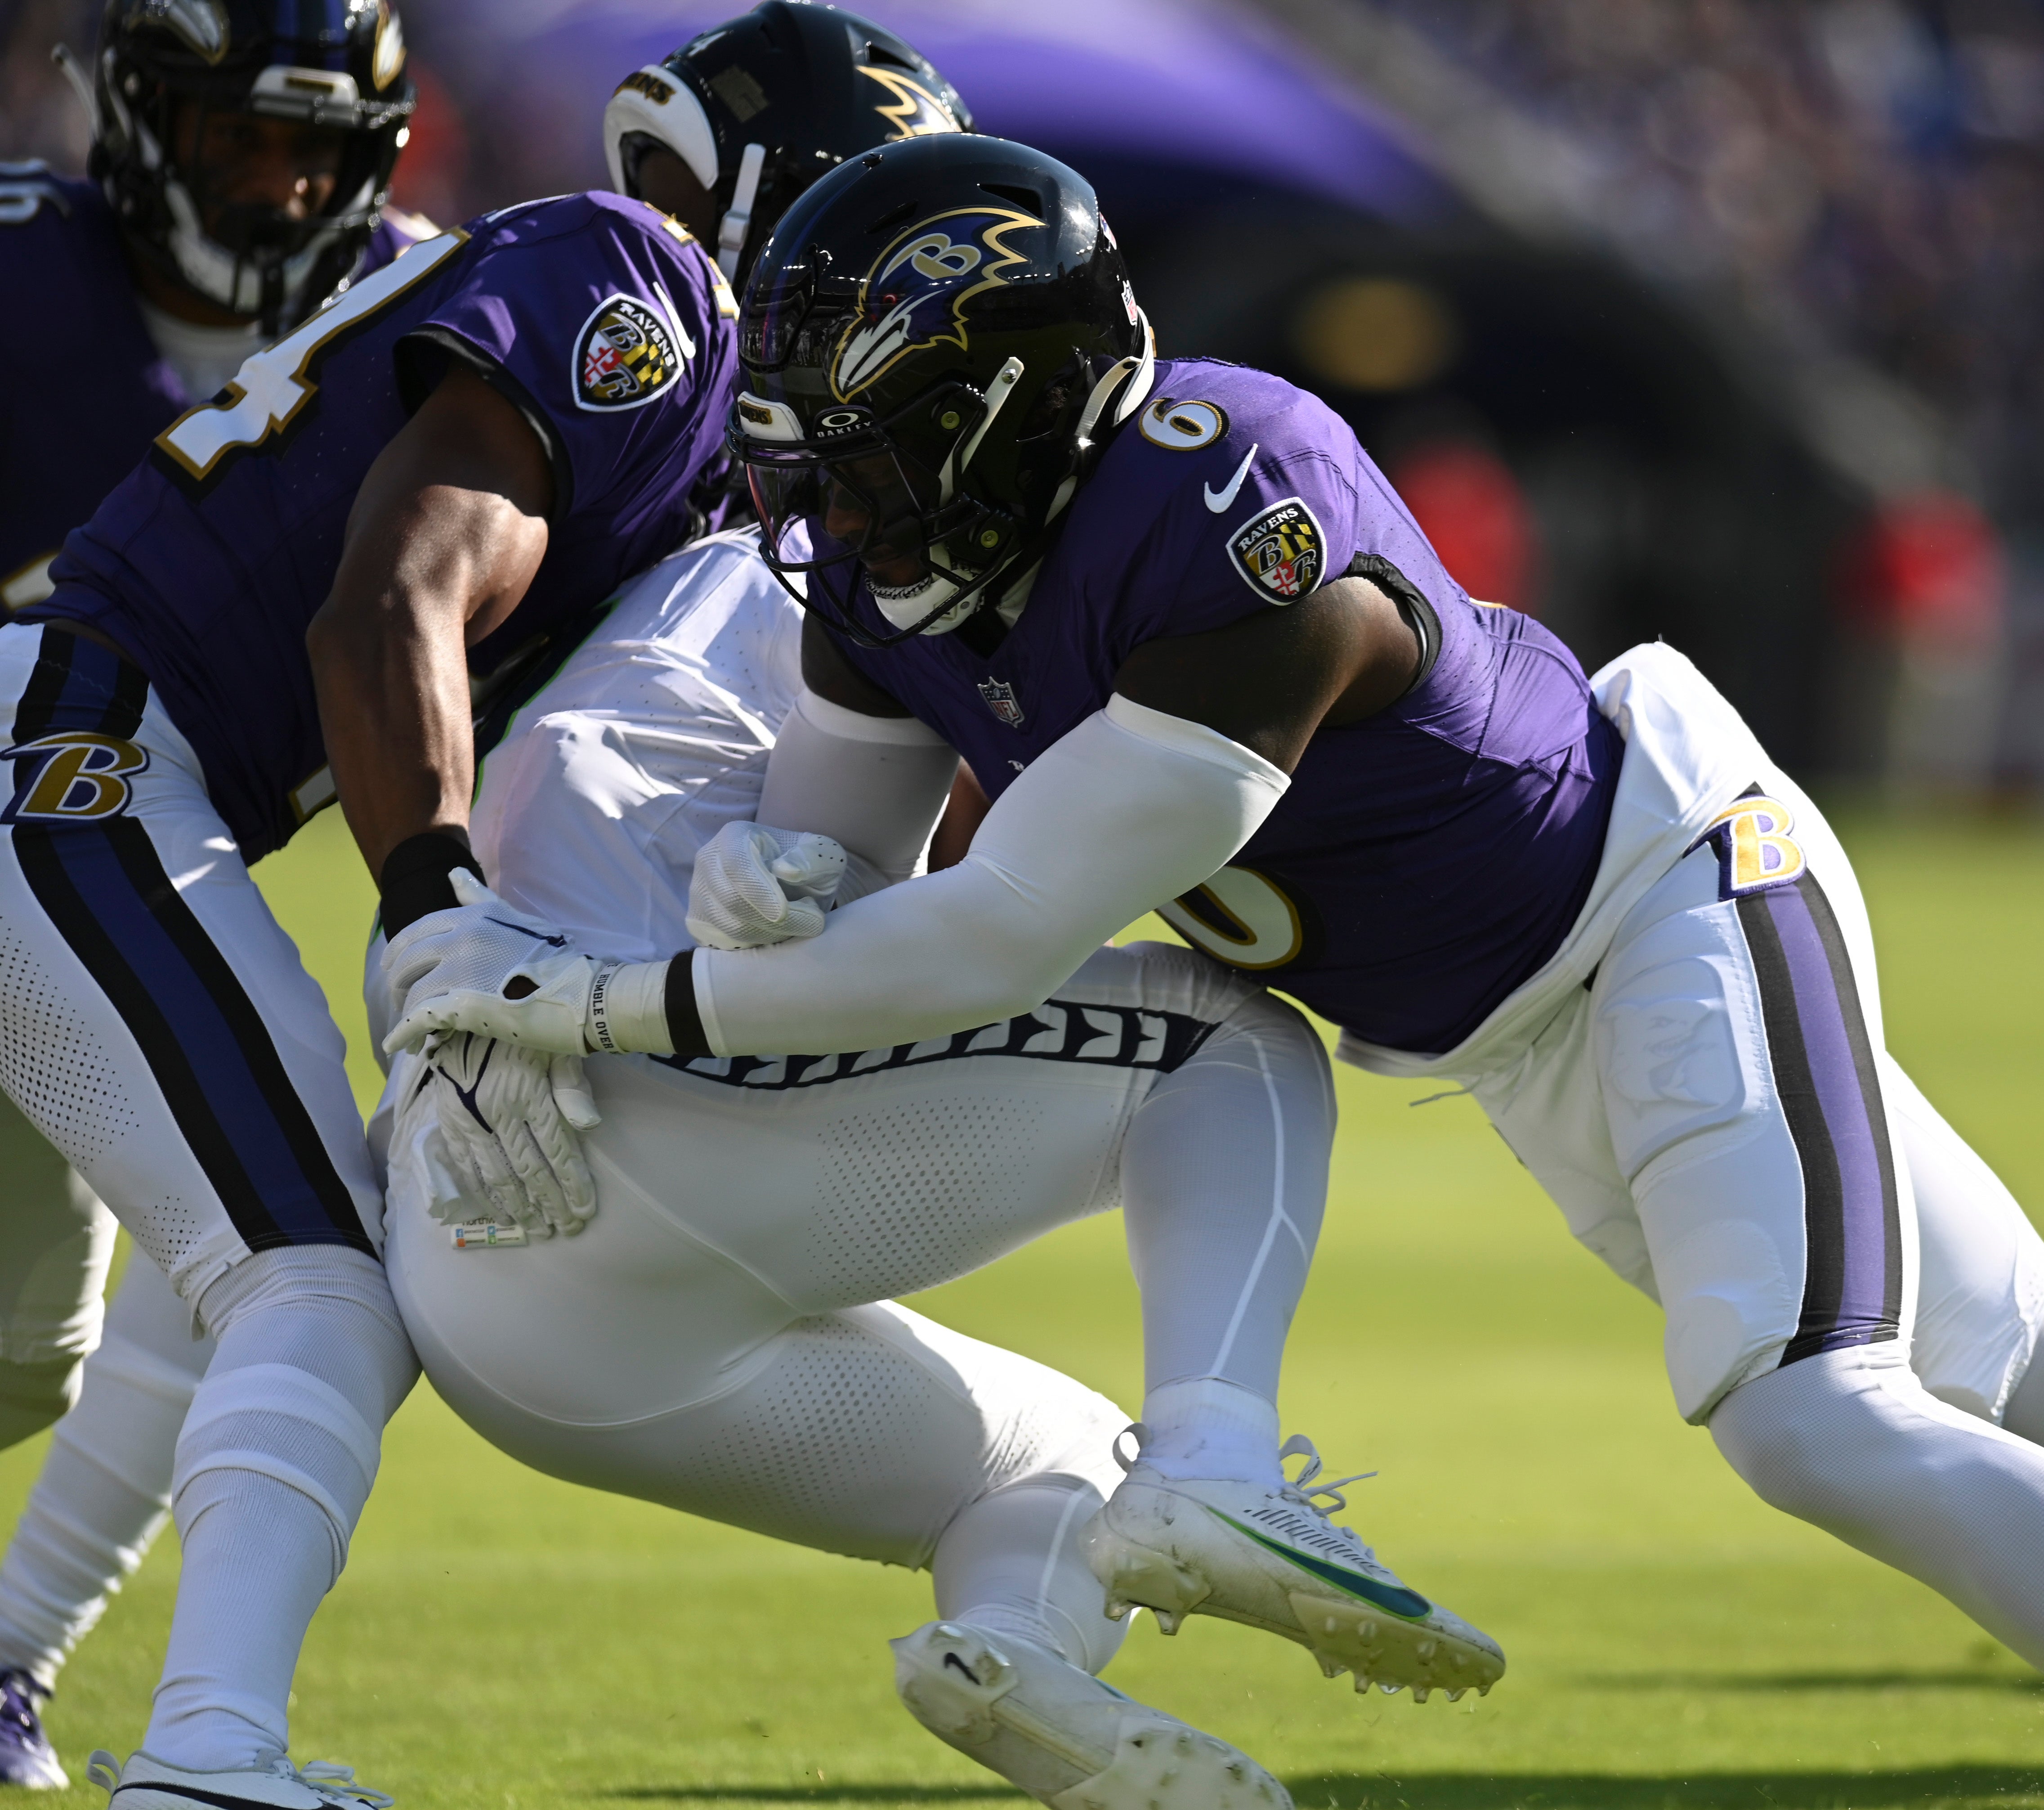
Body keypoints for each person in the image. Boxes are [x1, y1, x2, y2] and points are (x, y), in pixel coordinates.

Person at [395, 132, 2044, 1810]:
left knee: (1816, 1406)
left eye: (873, 444)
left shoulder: (1239, 524)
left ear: (1003, 404)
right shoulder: (894, 568)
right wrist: (741, 901)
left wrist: (602, 1007)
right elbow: (843, 852)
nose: (834, 507)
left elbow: (991, 932)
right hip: (1510, 1025)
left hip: (1666, 892)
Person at [0, 9, 975, 1806]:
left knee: (163, 1283)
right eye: (883, 222)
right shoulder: (644, 285)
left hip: (105, 761)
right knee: (306, 1269)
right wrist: (444, 920)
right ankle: (211, 1756)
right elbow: (389, 606)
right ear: (787, 194)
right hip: (72, 749)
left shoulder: (694, 419)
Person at [386, 522, 1457, 1808]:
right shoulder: (874, 554)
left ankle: (1014, 1651)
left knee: (1054, 1460)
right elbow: (971, 894)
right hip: (653, 1108)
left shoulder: (603, 624)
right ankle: (1212, 1463)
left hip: (482, 1276)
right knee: (1228, 1043)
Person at [0, 0, 425, 1787]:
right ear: (143, 118)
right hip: (53, 821)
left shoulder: (427, 316)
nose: (281, 184)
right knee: (285, 1246)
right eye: (245, 136)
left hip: (111, 859)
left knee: (34, 1347)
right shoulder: (27, 277)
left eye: (316, 148)